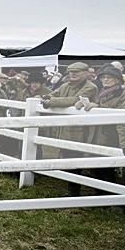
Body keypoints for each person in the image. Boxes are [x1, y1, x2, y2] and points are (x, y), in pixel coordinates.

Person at [41, 62, 99, 196]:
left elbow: (73, 100)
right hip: (65, 128)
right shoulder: (65, 85)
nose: (73, 74)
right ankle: (72, 189)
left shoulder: (90, 87)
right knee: (67, 157)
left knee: (76, 159)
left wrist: (51, 102)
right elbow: (53, 94)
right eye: (71, 72)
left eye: (76, 72)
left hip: (81, 130)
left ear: (85, 73)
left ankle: (75, 191)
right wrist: (45, 97)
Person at [87, 64, 125, 191]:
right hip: (95, 134)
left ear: (117, 80)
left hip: (110, 136)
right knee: (95, 170)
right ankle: (99, 196)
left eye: (109, 77)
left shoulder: (122, 95)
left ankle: (109, 196)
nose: (105, 80)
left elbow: (120, 114)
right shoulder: (99, 93)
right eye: (103, 77)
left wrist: (98, 108)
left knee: (107, 169)